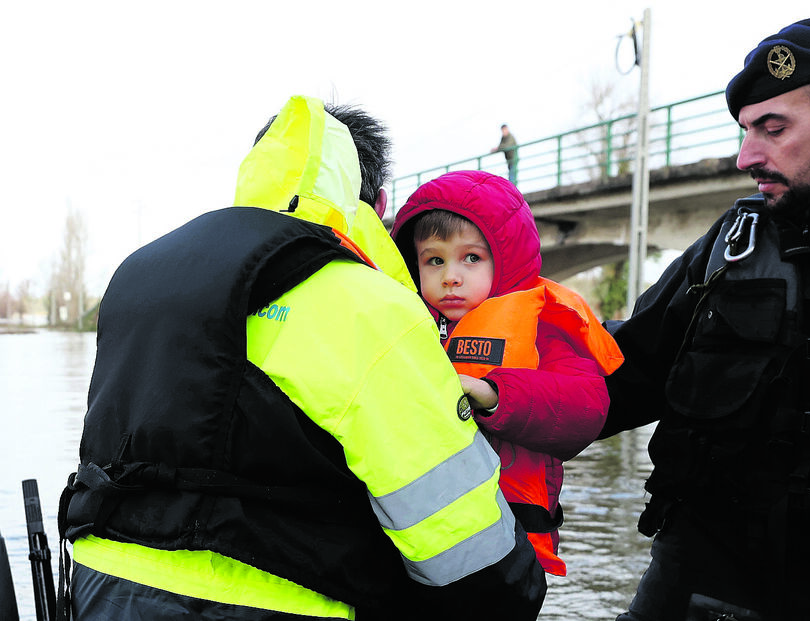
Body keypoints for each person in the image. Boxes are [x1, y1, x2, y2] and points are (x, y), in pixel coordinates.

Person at [56, 96, 546, 620]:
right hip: (273, 604)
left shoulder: (139, 277)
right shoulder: (370, 305)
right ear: (376, 204)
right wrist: (518, 588)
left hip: (97, 588)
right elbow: (469, 554)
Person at [599, 15, 810, 621]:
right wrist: (490, 386)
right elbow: (616, 372)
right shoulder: (729, 246)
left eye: (772, 129)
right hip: (694, 585)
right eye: (745, 131)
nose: (744, 156)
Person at [391, 169, 624, 577]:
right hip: (425, 533)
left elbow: (586, 407)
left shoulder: (541, 330)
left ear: (505, 259)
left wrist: (496, 396)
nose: (450, 276)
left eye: (472, 258)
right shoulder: (403, 326)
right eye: (434, 260)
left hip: (508, 536)